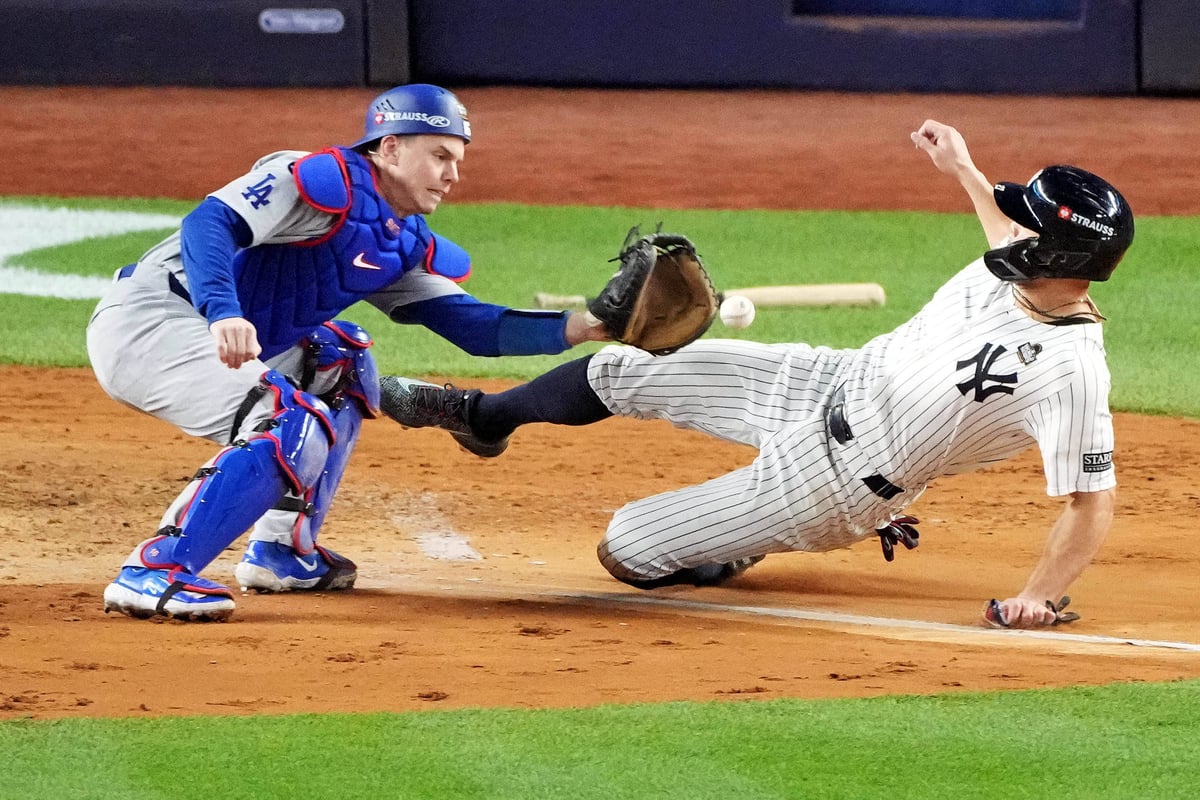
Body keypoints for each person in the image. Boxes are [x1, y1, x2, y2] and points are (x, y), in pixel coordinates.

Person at [379, 120, 1134, 629]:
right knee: (623, 363)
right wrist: (963, 166)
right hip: (824, 379)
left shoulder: (1069, 372)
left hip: (841, 485)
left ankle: (742, 542)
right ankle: (484, 420)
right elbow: (1001, 223)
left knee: (628, 547)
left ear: (1058, 259)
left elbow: (1090, 501)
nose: (1009, 225)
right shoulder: (1022, 265)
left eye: (1028, 225)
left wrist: (1038, 596)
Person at [86, 84, 607, 622]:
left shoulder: (397, 240)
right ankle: (155, 569)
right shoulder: (310, 179)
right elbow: (209, 222)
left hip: (212, 334)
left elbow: (473, 326)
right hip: (151, 322)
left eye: (457, 159)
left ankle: (283, 550)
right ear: (390, 148)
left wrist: (591, 326)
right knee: (290, 416)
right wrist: (223, 310)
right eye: (440, 155)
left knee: (342, 364)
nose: (453, 175)